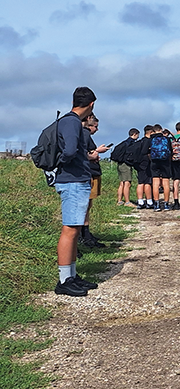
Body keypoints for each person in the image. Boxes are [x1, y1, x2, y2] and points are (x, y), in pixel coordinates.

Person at [53, 87, 101, 297]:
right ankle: (64, 280)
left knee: (74, 229)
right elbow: (70, 150)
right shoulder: (72, 122)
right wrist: (63, 164)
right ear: (91, 104)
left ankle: (71, 275)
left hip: (74, 179)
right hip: (72, 181)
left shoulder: (68, 121)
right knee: (70, 229)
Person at [80, 114, 110, 248]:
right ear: (89, 124)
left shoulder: (85, 136)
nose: (97, 129)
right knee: (85, 205)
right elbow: (84, 154)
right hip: (89, 173)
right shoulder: (85, 134)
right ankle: (84, 235)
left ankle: (86, 234)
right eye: (95, 126)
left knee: (88, 205)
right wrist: (97, 152)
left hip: (91, 172)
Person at [111, 127, 140, 207]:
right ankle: (127, 202)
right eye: (137, 135)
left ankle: (119, 201)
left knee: (122, 183)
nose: (138, 137)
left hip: (120, 164)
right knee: (127, 183)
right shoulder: (131, 143)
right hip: (126, 165)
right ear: (134, 134)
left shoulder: (124, 143)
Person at [149, 125, 172, 211]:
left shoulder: (151, 139)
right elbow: (170, 151)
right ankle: (166, 204)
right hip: (165, 162)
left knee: (155, 183)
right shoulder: (166, 139)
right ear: (161, 130)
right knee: (166, 183)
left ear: (154, 131)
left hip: (154, 162)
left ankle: (157, 204)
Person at [134, 125, 154, 209]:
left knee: (140, 183)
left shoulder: (140, 141)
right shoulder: (148, 141)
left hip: (139, 164)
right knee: (147, 183)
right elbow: (145, 152)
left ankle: (140, 201)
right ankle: (149, 201)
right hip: (146, 164)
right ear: (150, 132)